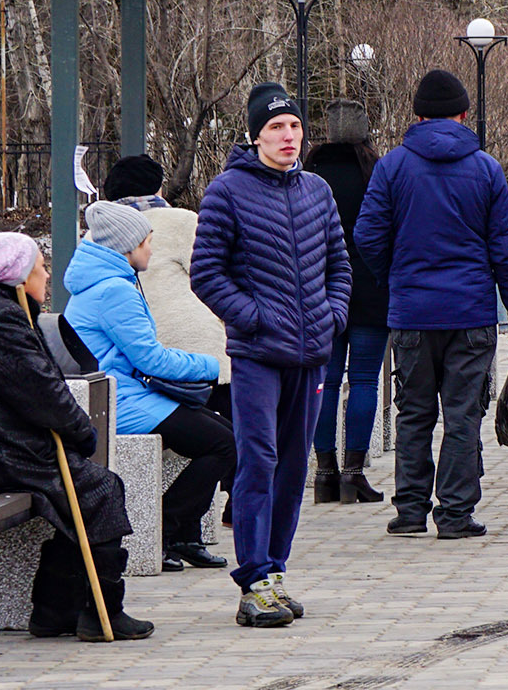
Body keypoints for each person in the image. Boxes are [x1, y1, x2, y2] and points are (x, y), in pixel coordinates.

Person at [0, 232, 153, 641]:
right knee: (102, 489)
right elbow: (43, 392)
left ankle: (55, 609)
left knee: (88, 491)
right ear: (18, 279)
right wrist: (84, 434)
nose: (47, 275)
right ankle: (101, 609)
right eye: (40, 268)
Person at [192, 82, 350, 629]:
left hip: (311, 355)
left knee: (292, 467)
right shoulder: (227, 191)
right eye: (277, 127)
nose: (288, 136)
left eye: (295, 127)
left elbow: (340, 265)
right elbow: (206, 274)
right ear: (255, 134)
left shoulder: (317, 191)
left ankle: (275, 572)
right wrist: (255, 318)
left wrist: (333, 316)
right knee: (257, 461)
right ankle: (253, 580)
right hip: (259, 354)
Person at [355, 69, 508, 541]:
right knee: (462, 415)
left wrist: (395, 276)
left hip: (412, 314)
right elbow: (506, 249)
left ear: (416, 115)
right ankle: (455, 513)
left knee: (413, 413)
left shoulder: (392, 167)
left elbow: (368, 235)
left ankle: (410, 511)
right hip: (471, 314)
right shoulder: (486, 169)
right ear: (464, 114)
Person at [65, 201, 232, 576]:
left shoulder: (105, 282)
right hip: (118, 400)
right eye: (147, 243)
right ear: (127, 246)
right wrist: (211, 364)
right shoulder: (114, 291)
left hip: (121, 393)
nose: (151, 251)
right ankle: (166, 530)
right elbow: (150, 359)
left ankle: (185, 534)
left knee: (223, 434)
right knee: (225, 444)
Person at [102, 154, 235, 527]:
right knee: (240, 427)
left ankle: (186, 529)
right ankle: (233, 506)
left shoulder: (98, 234)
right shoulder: (182, 221)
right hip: (197, 350)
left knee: (213, 433)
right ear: (158, 187)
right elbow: (211, 276)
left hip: (139, 361)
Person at [303, 100, 391, 504]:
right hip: (371, 289)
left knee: (325, 381)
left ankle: (324, 472)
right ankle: (354, 474)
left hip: (321, 291)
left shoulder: (308, 175)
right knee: (364, 380)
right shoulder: (377, 172)